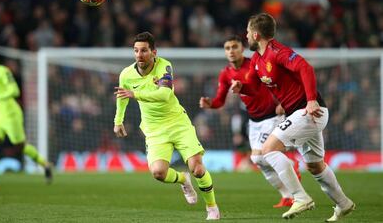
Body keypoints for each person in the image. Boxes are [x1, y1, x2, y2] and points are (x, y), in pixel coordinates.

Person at [232, 13, 355, 221]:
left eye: (247, 32)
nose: (245, 36)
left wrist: (310, 100)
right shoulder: (257, 60)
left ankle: (300, 197)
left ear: (255, 34)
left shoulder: (278, 52)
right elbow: (254, 86)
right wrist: (242, 87)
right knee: (315, 165)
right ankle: (343, 204)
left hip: (309, 111)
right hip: (300, 114)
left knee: (268, 149)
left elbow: (305, 67)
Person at [114, 32, 220, 220]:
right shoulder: (126, 75)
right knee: (158, 173)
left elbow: (164, 95)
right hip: (154, 129)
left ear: (153, 52)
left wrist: (135, 94)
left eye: (144, 50)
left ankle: (211, 207)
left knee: (197, 168)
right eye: (136, 51)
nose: (139, 55)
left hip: (178, 123)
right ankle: (182, 179)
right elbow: (122, 97)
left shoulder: (164, 66)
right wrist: (118, 120)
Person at [200, 35, 301, 208]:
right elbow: (220, 100)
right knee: (258, 160)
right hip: (254, 120)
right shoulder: (226, 74)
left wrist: (282, 103)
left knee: (261, 155)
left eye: (234, 47)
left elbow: (275, 81)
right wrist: (210, 104)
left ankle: (292, 167)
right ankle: (286, 195)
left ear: (242, 48)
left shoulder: (254, 64)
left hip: (272, 115)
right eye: (227, 48)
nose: (231, 51)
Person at [0, 47, 52, 193]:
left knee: (19, 147)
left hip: (11, 113)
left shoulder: (4, 71)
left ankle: (45, 164)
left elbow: (14, 90)